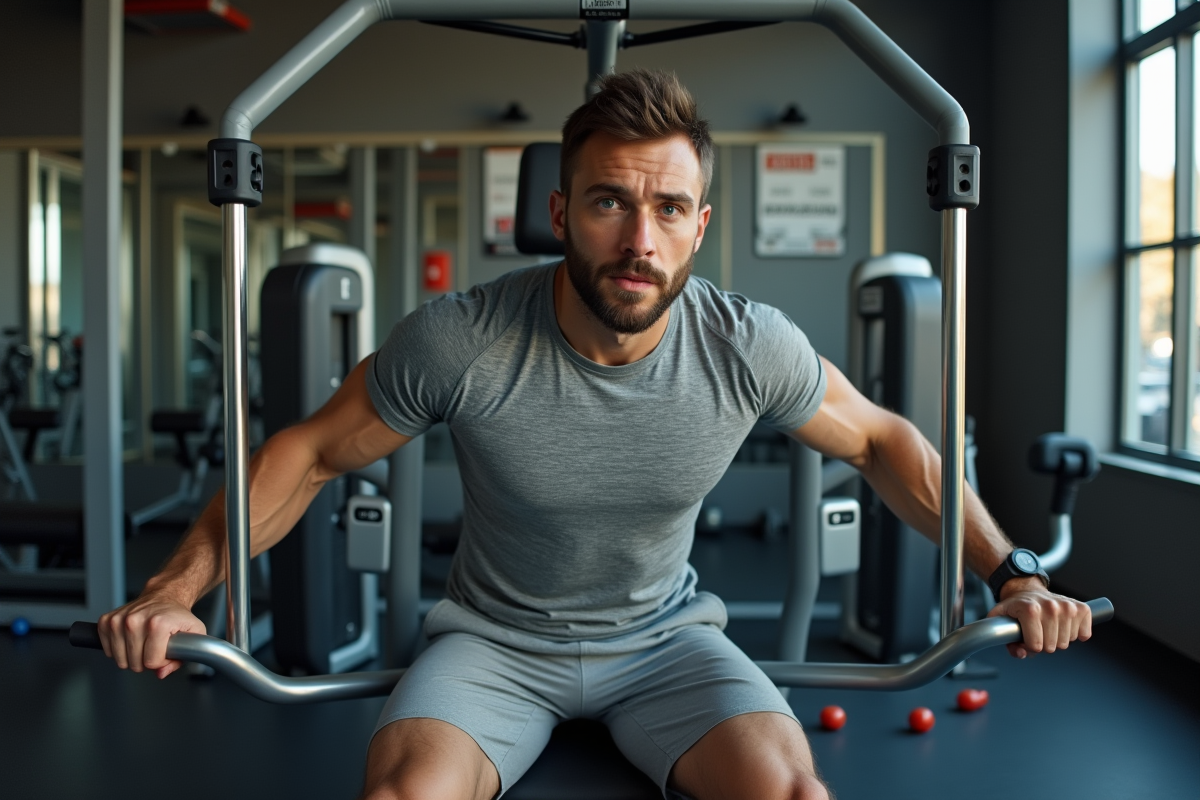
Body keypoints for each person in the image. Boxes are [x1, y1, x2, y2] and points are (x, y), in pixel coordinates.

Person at [98, 70, 1093, 800]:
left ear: (699, 225)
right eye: (612, 202)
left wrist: (1011, 570)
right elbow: (308, 451)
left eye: (666, 209)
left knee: (794, 793)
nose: (639, 241)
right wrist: (175, 587)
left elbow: (882, 442)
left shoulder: (746, 346)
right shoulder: (463, 336)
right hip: (491, 643)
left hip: (667, 643)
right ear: (562, 211)